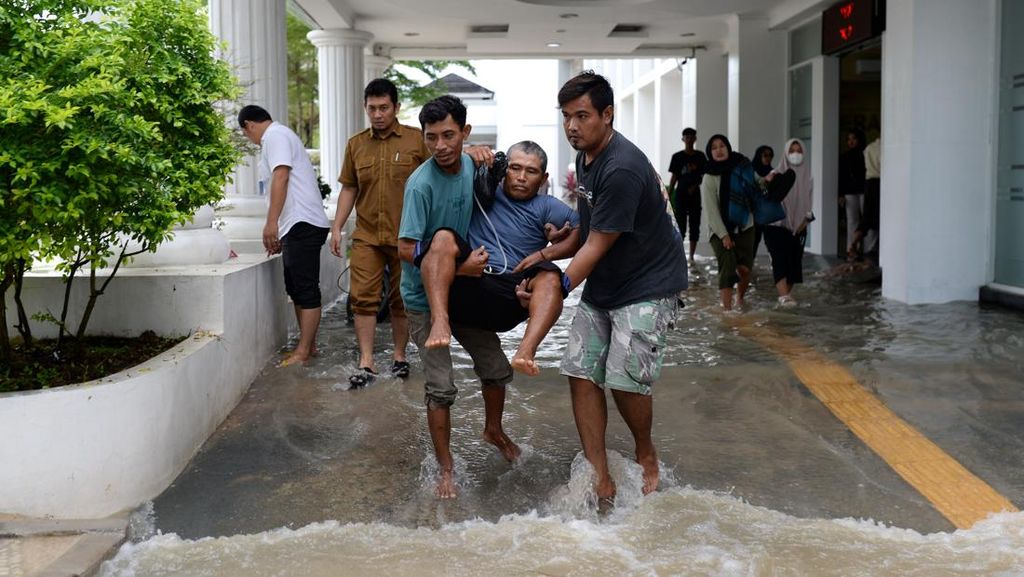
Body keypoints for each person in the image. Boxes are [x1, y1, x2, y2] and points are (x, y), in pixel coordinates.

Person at [397, 96, 545, 499]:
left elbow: (517, 178)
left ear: (465, 132)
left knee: (496, 369)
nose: (441, 145)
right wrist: (458, 269)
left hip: (464, 292)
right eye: (431, 138)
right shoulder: (420, 185)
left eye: (449, 135)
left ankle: (493, 429)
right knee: (441, 386)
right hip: (425, 300)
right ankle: (446, 467)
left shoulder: (476, 166)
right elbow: (406, 248)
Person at [551, 71, 687, 502]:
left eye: (583, 116)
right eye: (567, 116)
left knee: (626, 378)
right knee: (579, 369)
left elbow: (596, 244)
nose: (572, 126)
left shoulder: (623, 166)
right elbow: (588, 229)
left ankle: (646, 453)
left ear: (607, 115)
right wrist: (549, 251)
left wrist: (560, 283)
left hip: (650, 282)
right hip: (609, 278)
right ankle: (599, 471)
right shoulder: (584, 156)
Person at [424, 140, 581, 378]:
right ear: (503, 167)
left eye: (531, 171)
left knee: (551, 277)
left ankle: (526, 352)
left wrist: (544, 254)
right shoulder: (481, 190)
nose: (521, 177)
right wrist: (468, 152)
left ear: (543, 177)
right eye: (515, 168)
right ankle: (439, 321)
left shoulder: (547, 207)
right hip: (468, 286)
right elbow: (444, 166)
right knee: (443, 237)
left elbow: (584, 235)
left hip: (512, 296)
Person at [329, 78, 431, 387]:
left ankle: (400, 356)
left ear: (396, 107)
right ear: (365, 108)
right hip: (368, 236)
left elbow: (434, 184)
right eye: (372, 108)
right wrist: (336, 226)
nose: (377, 114)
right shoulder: (356, 144)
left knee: (403, 299)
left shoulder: (417, 141)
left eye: (384, 107)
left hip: (408, 236)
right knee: (362, 298)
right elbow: (349, 187)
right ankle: (366, 361)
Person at [238, 104, 331, 366]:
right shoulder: (279, 136)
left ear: (249, 126)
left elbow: (281, 177)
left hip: (303, 221)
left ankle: (303, 351)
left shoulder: (275, 136)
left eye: (247, 134)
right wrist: (279, 227)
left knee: (305, 287)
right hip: (296, 223)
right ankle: (307, 346)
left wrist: (271, 223)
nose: (251, 139)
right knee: (296, 287)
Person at [702, 134, 756, 311]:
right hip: (719, 230)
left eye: (722, 146)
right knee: (727, 266)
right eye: (714, 147)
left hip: (744, 226)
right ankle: (727, 310)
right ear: (710, 152)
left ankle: (740, 299)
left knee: (745, 269)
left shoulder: (741, 167)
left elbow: (756, 184)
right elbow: (711, 211)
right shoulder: (709, 177)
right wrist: (724, 235)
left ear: (729, 147)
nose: (719, 150)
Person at [762, 138, 813, 307]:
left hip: (799, 227)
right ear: (785, 153)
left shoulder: (809, 177)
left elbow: (811, 204)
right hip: (775, 226)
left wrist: (805, 223)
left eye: (799, 151)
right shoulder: (776, 174)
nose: (796, 154)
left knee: (793, 266)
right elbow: (765, 195)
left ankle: (785, 298)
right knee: (779, 260)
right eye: (792, 151)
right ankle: (784, 296)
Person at [667, 128, 707, 265]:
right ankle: (680, 254)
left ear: (695, 139)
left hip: (695, 195)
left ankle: (692, 255)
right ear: (683, 139)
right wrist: (669, 193)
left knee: (695, 224)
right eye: (687, 137)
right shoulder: (677, 157)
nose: (689, 139)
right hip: (681, 195)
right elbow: (674, 177)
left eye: (692, 136)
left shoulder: (700, 156)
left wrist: (694, 186)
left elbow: (703, 175)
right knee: (680, 225)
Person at [838, 129, 866, 259]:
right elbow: (841, 177)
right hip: (849, 192)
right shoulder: (844, 157)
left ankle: (866, 251)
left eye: (853, 138)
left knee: (867, 221)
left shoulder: (866, 154)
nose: (851, 142)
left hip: (865, 191)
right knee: (852, 221)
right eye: (849, 139)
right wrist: (841, 194)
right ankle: (851, 249)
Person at [851, 134, 881, 259]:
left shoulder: (869, 148)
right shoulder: (885, 148)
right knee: (879, 219)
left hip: (869, 183)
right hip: (881, 182)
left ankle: (853, 243)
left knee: (867, 217)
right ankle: (872, 253)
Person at [750, 145, 775, 261]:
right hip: (754, 212)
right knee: (754, 239)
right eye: (765, 155)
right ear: (759, 156)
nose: (768, 158)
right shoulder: (751, 171)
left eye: (770, 155)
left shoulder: (773, 172)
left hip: (769, 212)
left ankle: (775, 265)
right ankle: (749, 267)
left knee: (771, 239)